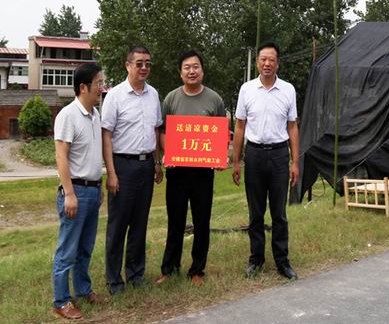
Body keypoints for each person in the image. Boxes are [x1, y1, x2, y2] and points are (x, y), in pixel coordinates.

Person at [156, 50, 226, 286]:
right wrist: (168, 153)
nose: (192, 71)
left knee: (202, 221)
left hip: (202, 172)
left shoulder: (215, 100)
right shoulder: (171, 99)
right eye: (187, 67)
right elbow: (162, 132)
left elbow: (220, 134)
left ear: (202, 71)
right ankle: (169, 269)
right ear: (181, 72)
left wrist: (219, 157)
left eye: (196, 67)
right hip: (177, 170)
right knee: (175, 221)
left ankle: (197, 270)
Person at [232, 41, 300, 280]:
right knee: (256, 212)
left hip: (280, 155)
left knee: (279, 213)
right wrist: (236, 161)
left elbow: (292, 127)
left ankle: (282, 261)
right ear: (257, 62)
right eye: (263, 59)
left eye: (271, 59)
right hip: (254, 155)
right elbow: (240, 127)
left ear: (277, 63)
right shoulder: (247, 89)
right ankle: (256, 260)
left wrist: (295, 162)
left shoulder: (288, 90)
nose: (267, 63)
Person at [101, 46, 163, 294]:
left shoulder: (153, 94)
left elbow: (155, 130)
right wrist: (111, 172)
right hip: (123, 166)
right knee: (118, 225)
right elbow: (106, 135)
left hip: (146, 165)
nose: (144, 68)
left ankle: (136, 274)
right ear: (128, 65)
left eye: (148, 63)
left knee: (139, 223)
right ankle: (114, 280)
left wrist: (157, 162)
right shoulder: (115, 96)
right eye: (139, 63)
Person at [51, 63, 106, 320]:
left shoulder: (95, 114)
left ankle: (83, 290)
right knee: (67, 250)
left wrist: (99, 186)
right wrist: (70, 193)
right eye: (98, 83)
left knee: (86, 247)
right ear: (83, 87)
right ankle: (61, 301)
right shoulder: (68, 115)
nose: (102, 88)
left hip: (93, 190)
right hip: (76, 192)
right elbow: (61, 157)